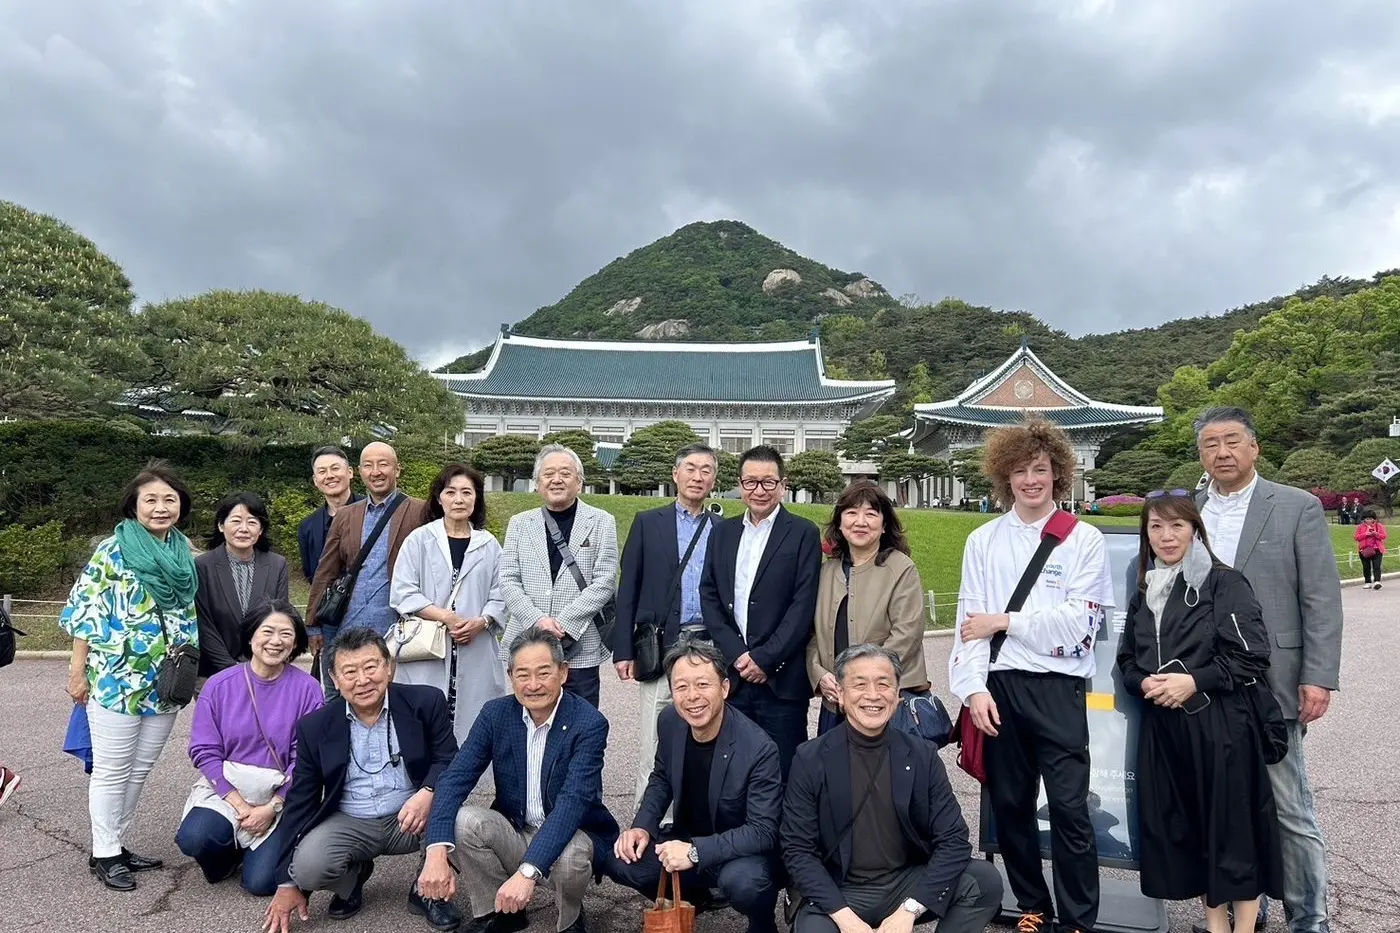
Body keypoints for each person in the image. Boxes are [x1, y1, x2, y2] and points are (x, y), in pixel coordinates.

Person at [948, 418, 1115, 933]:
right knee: (1011, 806)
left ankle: (1080, 918)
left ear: (1058, 474)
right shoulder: (982, 540)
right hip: (999, 689)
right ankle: (1033, 906)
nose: (1030, 480)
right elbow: (968, 624)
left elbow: (1080, 625)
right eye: (1019, 471)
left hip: (1059, 688)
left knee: (1069, 809)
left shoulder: (1082, 539)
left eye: (1040, 469)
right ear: (1004, 477)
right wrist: (974, 690)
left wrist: (1006, 621)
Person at [1193, 406, 1343, 933]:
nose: (1223, 452)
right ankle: (1241, 910)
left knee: (1289, 807)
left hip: (1273, 677)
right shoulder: (1185, 511)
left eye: (1233, 441)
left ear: (1255, 447)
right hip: (1203, 682)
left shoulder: (1295, 506)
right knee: (1216, 803)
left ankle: (1309, 917)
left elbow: (1320, 596)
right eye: (1211, 444)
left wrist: (1318, 675)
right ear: (1201, 454)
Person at [1116, 493, 1284, 933]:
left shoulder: (1223, 583)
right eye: (1156, 527)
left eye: (1177, 526)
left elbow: (1251, 656)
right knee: (1189, 825)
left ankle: (1243, 928)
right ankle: (1214, 925)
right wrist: (1143, 682)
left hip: (1219, 725)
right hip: (1164, 728)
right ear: (1145, 533)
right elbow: (1127, 659)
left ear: (1195, 529)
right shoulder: (1145, 586)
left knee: (1231, 829)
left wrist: (1193, 680)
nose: (1166, 536)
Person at [782, 644, 1004, 933]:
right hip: (843, 887)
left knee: (984, 881)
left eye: (883, 684)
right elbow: (797, 849)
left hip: (903, 881)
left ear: (898, 695)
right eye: (859, 685)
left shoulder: (922, 754)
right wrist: (844, 917)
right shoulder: (810, 758)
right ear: (841, 693)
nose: (873, 695)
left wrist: (909, 910)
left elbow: (954, 840)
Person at [415, 627, 618, 933]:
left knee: (571, 857)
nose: (533, 685)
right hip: (516, 828)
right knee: (461, 821)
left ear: (563, 673)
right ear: (510, 676)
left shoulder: (588, 722)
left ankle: (571, 918)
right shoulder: (496, 714)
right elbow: (455, 778)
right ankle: (499, 912)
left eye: (543, 673)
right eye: (522, 674)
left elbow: (572, 803)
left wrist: (527, 873)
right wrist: (435, 849)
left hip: (571, 834)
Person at [60, 461, 201, 891]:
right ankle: (104, 852)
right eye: (151, 500)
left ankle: (115, 843)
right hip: (116, 677)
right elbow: (85, 611)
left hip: (166, 679)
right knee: (112, 769)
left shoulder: (183, 551)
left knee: (140, 768)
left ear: (181, 505)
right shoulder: (113, 551)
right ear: (134, 506)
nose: (160, 508)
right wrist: (77, 670)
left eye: (169, 500)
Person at [263, 627, 461, 933]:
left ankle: (428, 891)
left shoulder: (426, 702)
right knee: (306, 867)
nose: (363, 680)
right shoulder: (315, 727)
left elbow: (449, 759)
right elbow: (300, 801)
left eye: (371, 667)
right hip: (351, 819)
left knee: (463, 824)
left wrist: (428, 791)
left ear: (389, 667)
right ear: (334, 678)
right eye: (350, 671)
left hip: (412, 816)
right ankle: (351, 879)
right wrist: (287, 882)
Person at [606, 641, 783, 933]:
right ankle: (693, 898)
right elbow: (661, 777)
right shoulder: (670, 721)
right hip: (686, 835)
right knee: (623, 861)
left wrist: (694, 852)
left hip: (738, 851)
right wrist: (642, 826)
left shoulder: (759, 748)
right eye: (681, 687)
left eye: (703, 684)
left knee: (745, 884)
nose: (692, 697)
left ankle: (762, 922)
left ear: (725, 688)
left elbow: (762, 832)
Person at [176, 600, 324, 894]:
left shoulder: (307, 689)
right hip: (230, 790)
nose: (275, 641)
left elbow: (307, 758)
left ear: (296, 642)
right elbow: (204, 750)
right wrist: (241, 806)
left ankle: (257, 849)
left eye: (286, 634)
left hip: (281, 793)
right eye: (267, 631)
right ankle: (227, 855)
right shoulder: (218, 685)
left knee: (262, 883)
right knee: (196, 838)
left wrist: (272, 806)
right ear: (251, 635)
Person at [701, 445, 821, 779]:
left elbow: (803, 604)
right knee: (733, 767)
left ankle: (784, 833)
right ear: (740, 486)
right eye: (751, 482)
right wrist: (737, 654)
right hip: (735, 676)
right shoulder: (723, 532)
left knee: (784, 769)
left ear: (783, 485)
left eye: (768, 482)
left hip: (780, 679)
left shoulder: (802, 533)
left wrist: (765, 659)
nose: (759, 490)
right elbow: (709, 594)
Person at [613, 443, 722, 810]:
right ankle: (647, 828)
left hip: (708, 645)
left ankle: (694, 823)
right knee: (655, 740)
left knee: (706, 731)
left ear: (714, 480)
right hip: (661, 647)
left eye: (706, 470)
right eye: (690, 468)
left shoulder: (722, 528)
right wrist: (623, 650)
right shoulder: (648, 522)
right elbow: (627, 588)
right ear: (675, 475)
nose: (697, 476)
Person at [390, 463, 510, 742]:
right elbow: (402, 591)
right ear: (439, 497)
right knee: (424, 719)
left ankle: (466, 781)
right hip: (427, 646)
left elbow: (501, 593)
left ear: (476, 498)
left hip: (475, 644)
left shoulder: (489, 544)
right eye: (451, 491)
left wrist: (482, 621)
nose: (459, 499)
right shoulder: (419, 540)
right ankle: (426, 782)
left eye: (467, 492)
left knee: (474, 723)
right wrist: (446, 617)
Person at [307, 441, 432, 696]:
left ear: (397, 470)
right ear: (360, 472)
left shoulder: (420, 511)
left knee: (390, 697)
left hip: (394, 627)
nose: (376, 471)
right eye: (368, 465)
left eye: (383, 464)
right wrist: (312, 625)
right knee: (338, 698)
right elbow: (326, 570)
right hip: (344, 624)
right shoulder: (346, 515)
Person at [500, 444, 619, 708]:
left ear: (579, 482)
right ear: (537, 483)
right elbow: (508, 579)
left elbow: (605, 580)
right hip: (528, 642)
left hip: (580, 644)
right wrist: (537, 620)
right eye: (548, 473)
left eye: (565, 473)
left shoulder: (601, 521)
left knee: (582, 721)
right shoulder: (520, 523)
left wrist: (564, 622)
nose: (557, 479)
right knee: (528, 717)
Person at [809, 480, 928, 735]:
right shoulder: (825, 572)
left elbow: (906, 634)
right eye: (851, 513)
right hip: (835, 702)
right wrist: (820, 675)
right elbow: (811, 635)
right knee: (834, 771)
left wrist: (860, 681)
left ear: (884, 525)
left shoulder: (900, 568)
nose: (860, 522)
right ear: (840, 523)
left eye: (871, 514)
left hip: (883, 702)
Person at [194, 492, 290, 679]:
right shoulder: (202, 565)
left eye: (252, 522)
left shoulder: (277, 564)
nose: (244, 529)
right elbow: (203, 624)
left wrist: (259, 665)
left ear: (261, 529)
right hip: (214, 672)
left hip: (264, 669)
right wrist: (232, 670)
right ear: (221, 525)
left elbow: (279, 617)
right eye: (236, 521)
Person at [297, 446, 363, 584]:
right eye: (322, 471)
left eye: (335, 468)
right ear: (315, 480)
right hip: (329, 603)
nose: (329, 476)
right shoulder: (307, 526)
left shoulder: (373, 511)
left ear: (350, 472)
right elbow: (311, 574)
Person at [1356, 509, 1387, 589]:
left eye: (1370, 518)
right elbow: (1356, 537)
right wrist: (1365, 534)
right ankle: (1368, 582)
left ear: (1374, 519)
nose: (1369, 520)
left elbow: (1383, 536)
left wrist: (1375, 534)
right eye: (1367, 519)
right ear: (1364, 519)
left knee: (1376, 566)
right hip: (1364, 550)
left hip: (1377, 550)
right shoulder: (1360, 527)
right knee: (1366, 567)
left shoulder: (1378, 526)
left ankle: (1377, 581)